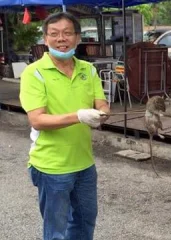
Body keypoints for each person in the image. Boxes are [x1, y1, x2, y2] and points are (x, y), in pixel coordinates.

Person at [19, 12, 110, 240]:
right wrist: (78, 116)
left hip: (85, 165)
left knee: (84, 222)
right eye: (54, 34)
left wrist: (101, 115)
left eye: (68, 33)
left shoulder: (88, 70)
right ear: (45, 38)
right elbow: (37, 120)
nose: (62, 39)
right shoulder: (34, 73)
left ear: (78, 38)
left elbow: (103, 104)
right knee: (56, 231)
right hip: (52, 168)